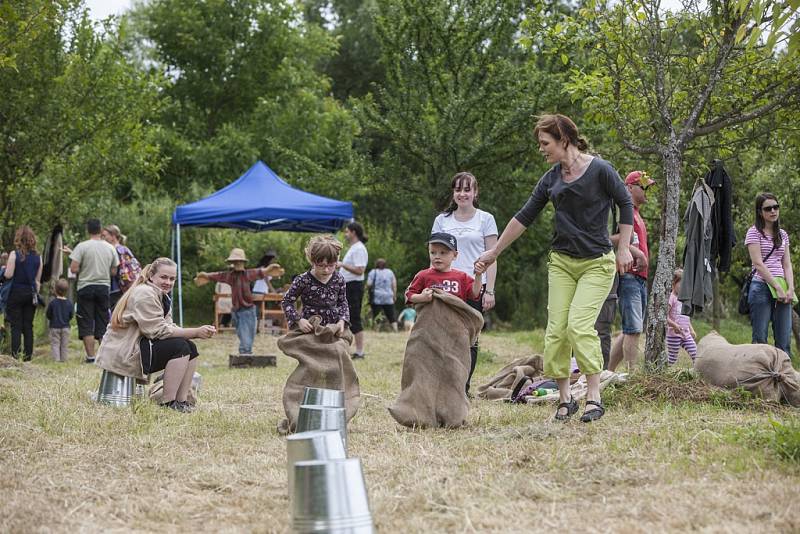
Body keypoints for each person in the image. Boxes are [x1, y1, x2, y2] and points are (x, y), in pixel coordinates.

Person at [475, 113, 633, 423]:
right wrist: (495, 251)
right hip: (561, 262)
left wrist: (624, 247)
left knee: (579, 325)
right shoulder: (551, 178)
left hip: (596, 263)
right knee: (556, 332)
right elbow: (524, 216)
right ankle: (564, 400)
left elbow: (625, 203)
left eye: (545, 143)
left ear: (564, 140)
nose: (541, 149)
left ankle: (593, 397)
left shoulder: (600, 169)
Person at [96, 258, 216, 412]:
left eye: (172, 279)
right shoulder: (145, 294)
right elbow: (157, 331)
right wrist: (195, 332)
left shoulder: (160, 294)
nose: (168, 282)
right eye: (164, 277)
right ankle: (168, 403)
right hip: (124, 354)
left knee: (190, 347)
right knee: (180, 347)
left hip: (139, 347)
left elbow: (169, 325)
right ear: (151, 276)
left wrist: (194, 334)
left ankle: (181, 402)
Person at [432, 171, 499, 394]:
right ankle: (444, 384)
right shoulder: (442, 220)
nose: (462, 194)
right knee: (444, 337)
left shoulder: (486, 219)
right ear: (453, 193)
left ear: (475, 192)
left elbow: (492, 257)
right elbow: (434, 256)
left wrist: (490, 290)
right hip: (446, 288)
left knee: (470, 339)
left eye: (467, 189)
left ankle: (463, 387)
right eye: (458, 189)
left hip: (473, 287)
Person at [609, 170, 654, 372]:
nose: (647, 191)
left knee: (631, 329)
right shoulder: (623, 212)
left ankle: (606, 371)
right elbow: (609, 238)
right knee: (634, 329)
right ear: (629, 188)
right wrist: (635, 251)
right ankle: (632, 374)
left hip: (640, 277)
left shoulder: (637, 214)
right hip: (628, 275)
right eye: (643, 186)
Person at [745, 193, 795, 356]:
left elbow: (787, 264)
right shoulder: (754, 232)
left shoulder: (783, 235)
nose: (773, 211)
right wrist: (776, 287)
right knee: (760, 339)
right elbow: (758, 264)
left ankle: (783, 379)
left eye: (776, 207)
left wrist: (790, 288)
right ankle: (760, 379)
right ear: (760, 212)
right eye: (768, 208)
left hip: (782, 286)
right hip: (761, 286)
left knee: (784, 340)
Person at [195, 248, 270, 354]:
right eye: (235, 262)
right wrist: (206, 276)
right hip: (236, 310)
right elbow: (218, 275)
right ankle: (245, 352)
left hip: (248, 309)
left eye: (239, 261)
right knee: (241, 333)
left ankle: (245, 353)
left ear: (243, 262)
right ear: (232, 263)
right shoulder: (230, 276)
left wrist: (269, 270)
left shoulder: (248, 274)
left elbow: (259, 272)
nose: (237, 263)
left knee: (247, 333)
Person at [67, 219, 119, 363]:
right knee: (103, 320)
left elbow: (73, 268)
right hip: (103, 287)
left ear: (88, 230)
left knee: (86, 321)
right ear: (100, 230)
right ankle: (104, 357)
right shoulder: (110, 248)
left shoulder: (82, 247)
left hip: (85, 287)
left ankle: (91, 357)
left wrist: (86, 267)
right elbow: (114, 271)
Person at [281, 235, 349, 334]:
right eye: (321, 265)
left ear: (337, 262)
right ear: (312, 261)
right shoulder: (303, 280)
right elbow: (286, 301)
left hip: (332, 329)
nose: (326, 270)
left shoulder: (339, 279)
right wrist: (299, 320)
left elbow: (342, 303)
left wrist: (342, 321)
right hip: (309, 329)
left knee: (337, 350)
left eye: (331, 265)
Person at [405, 233, 482, 305]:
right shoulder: (423, 275)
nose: (437, 256)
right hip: (430, 318)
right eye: (433, 252)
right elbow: (408, 295)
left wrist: (478, 275)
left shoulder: (462, 277)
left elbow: (475, 293)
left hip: (455, 318)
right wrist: (421, 297)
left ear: (455, 255)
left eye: (443, 253)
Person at [3, 226, 43, 361]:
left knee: (16, 325)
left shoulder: (14, 254)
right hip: (30, 293)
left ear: (19, 239)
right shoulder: (38, 257)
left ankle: (15, 355)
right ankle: (28, 356)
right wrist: (35, 294)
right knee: (28, 326)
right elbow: (38, 280)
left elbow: (8, 275)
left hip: (16, 293)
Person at [338, 222, 368, 359]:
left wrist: (342, 264)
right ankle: (345, 348)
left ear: (353, 232)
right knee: (345, 317)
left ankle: (360, 352)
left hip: (354, 286)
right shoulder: (354, 248)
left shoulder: (359, 249)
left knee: (354, 318)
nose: (345, 234)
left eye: (347, 231)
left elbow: (360, 270)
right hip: (348, 286)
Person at [101, 225, 141, 310]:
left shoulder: (114, 250)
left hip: (116, 288)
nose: (102, 238)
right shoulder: (124, 249)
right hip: (124, 287)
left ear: (113, 236)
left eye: (104, 236)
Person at [666, 269, 697, 365]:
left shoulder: (684, 299)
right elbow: (664, 316)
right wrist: (674, 325)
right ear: (673, 284)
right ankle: (667, 372)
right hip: (673, 335)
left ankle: (697, 371)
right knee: (672, 358)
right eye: (681, 284)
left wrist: (691, 329)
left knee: (696, 354)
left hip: (686, 334)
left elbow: (686, 317)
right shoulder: (672, 298)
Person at [367, 258, 398, 332]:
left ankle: (376, 330)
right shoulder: (390, 272)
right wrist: (394, 295)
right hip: (388, 296)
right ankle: (396, 330)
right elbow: (394, 284)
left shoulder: (373, 272)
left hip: (377, 297)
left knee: (377, 314)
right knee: (391, 315)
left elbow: (369, 284)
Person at [46, 279, 74, 362]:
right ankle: (64, 359)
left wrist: (51, 319)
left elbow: (48, 314)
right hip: (66, 327)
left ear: (55, 290)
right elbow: (71, 315)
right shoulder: (69, 303)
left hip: (54, 326)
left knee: (55, 343)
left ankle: (56, 359)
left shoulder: (52, 303)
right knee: (64, 344)